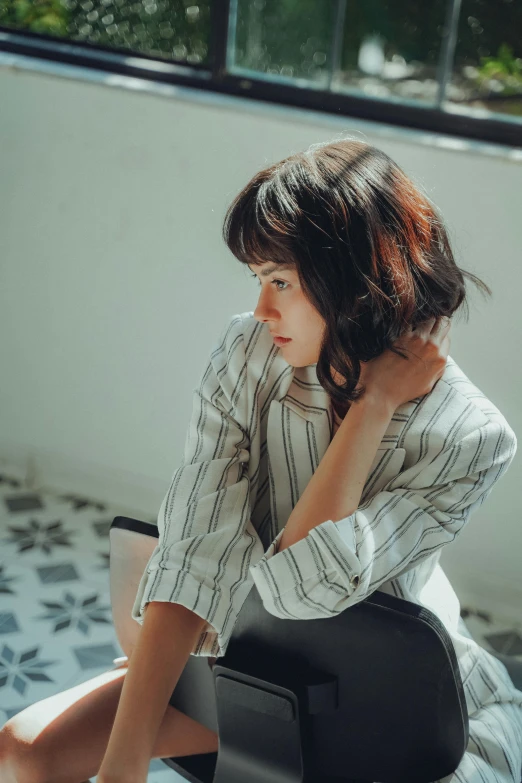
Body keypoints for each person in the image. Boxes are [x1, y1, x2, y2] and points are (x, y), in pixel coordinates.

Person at [1, 138, 520, 783]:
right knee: (22, 751)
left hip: (387, 701)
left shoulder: (471, 436)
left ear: (355, 286)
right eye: (258, 279)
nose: (261, 308)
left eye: (282, 282)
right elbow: (194, 547)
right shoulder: (248, 352)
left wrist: (373, 405)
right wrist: (122, 768)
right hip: (243, 662)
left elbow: (304, 589)